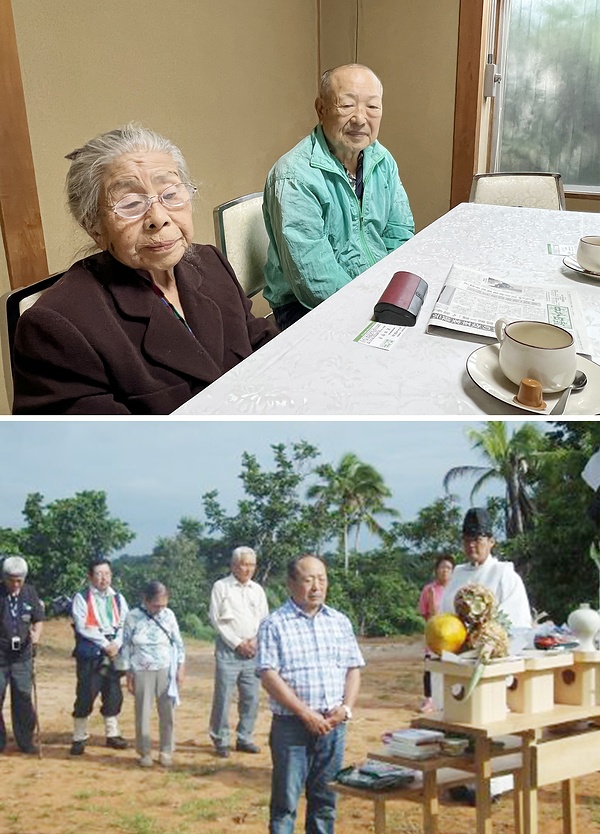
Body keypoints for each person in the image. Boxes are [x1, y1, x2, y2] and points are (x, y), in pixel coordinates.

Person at [12, 123, 278, 415]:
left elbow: (260, 344)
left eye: (171, 193)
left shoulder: (210, 262)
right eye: (131, 204)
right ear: (93, 227)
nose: (159, 218)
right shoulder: (58, 326)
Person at [263, 63, 414, 330]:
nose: (359, 118)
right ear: (321, 109)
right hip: (306, 305)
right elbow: (313, 280)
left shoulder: (382, 160)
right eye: (346, 105)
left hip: (375, 287)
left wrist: (392, 291)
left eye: (372, 107)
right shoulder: (294, 177)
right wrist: (372, 308)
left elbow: (400, 232)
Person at [257, 554, 365, 834]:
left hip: (333, 726)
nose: (317, 586)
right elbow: (268, 675)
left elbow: (353, 668)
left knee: (325, 800)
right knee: (285, 804)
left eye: (322, 579)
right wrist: (305, 713)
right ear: (291, 583)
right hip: (291, 727)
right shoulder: (274, 624)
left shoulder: (339, 621)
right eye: (308, 580)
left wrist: (346, 708)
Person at [441, 508, 531, 805]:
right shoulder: (459, 575)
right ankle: (459, 777)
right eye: (467, 539)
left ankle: (493, 785)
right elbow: (445, 616)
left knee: (491, 725)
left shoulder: (505, 574)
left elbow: (514, 621)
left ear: (491, 541)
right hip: (459, 661)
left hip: (491, 659)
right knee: (459, 723)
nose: (472, 545)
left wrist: (484, 637)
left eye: (478, 539)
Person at [208, 546, 269, 758]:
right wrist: (237, 643)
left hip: (253, 652)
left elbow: (264, 620)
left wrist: (254, 642)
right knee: (223, 697)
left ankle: (245, 738)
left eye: (252, 565)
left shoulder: (257, 590)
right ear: (234, 565)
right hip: (228, 651)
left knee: (251, 698)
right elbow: (216, 619)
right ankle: (221, 739)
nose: (248, 569)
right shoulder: (221, 587)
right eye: (244, 564)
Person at [121, 581, 185, 768]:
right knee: (142, 712)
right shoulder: (132, 617)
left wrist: (181, 668)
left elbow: (178, 643)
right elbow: (126, 646)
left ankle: (166, 749)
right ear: (146, 600)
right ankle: (144, 751)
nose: (160, 609)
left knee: (167, 712)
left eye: (164, 605)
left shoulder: (169, 615)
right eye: (156, 605)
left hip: (165, 667)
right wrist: (128, 673)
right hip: (141, 669)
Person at [70, 557, 129, 755]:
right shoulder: (82, 598)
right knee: (86, 694)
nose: (104, 578)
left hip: (113, 654)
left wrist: (117, 643)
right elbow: (83, 626)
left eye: (107, 574)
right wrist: (105, 644)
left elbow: (125, 624)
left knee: (113, 694)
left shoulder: (118, 598)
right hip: (91, 655)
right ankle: (79, 737)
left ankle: (112, 734)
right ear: (90, 576)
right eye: (99, 574)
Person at [0, 556, 44, 754]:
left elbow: (38, 619)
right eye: (11, 579)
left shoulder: (30, 592)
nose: (15, 584)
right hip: (0, 657)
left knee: (23, 699)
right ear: (4, 577)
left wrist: (36, 635)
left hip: (23, 656)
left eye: (19, 580)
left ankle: (25, 741)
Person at [417, 555, 454, 712]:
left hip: (453, 635)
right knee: (430, 666)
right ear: (436, 570)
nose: (445, 571)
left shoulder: (456, 588)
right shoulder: (429, 590)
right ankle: (429, 698)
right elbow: (426, 614)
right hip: (434, 633)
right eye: (442, 567)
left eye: (448, 568)